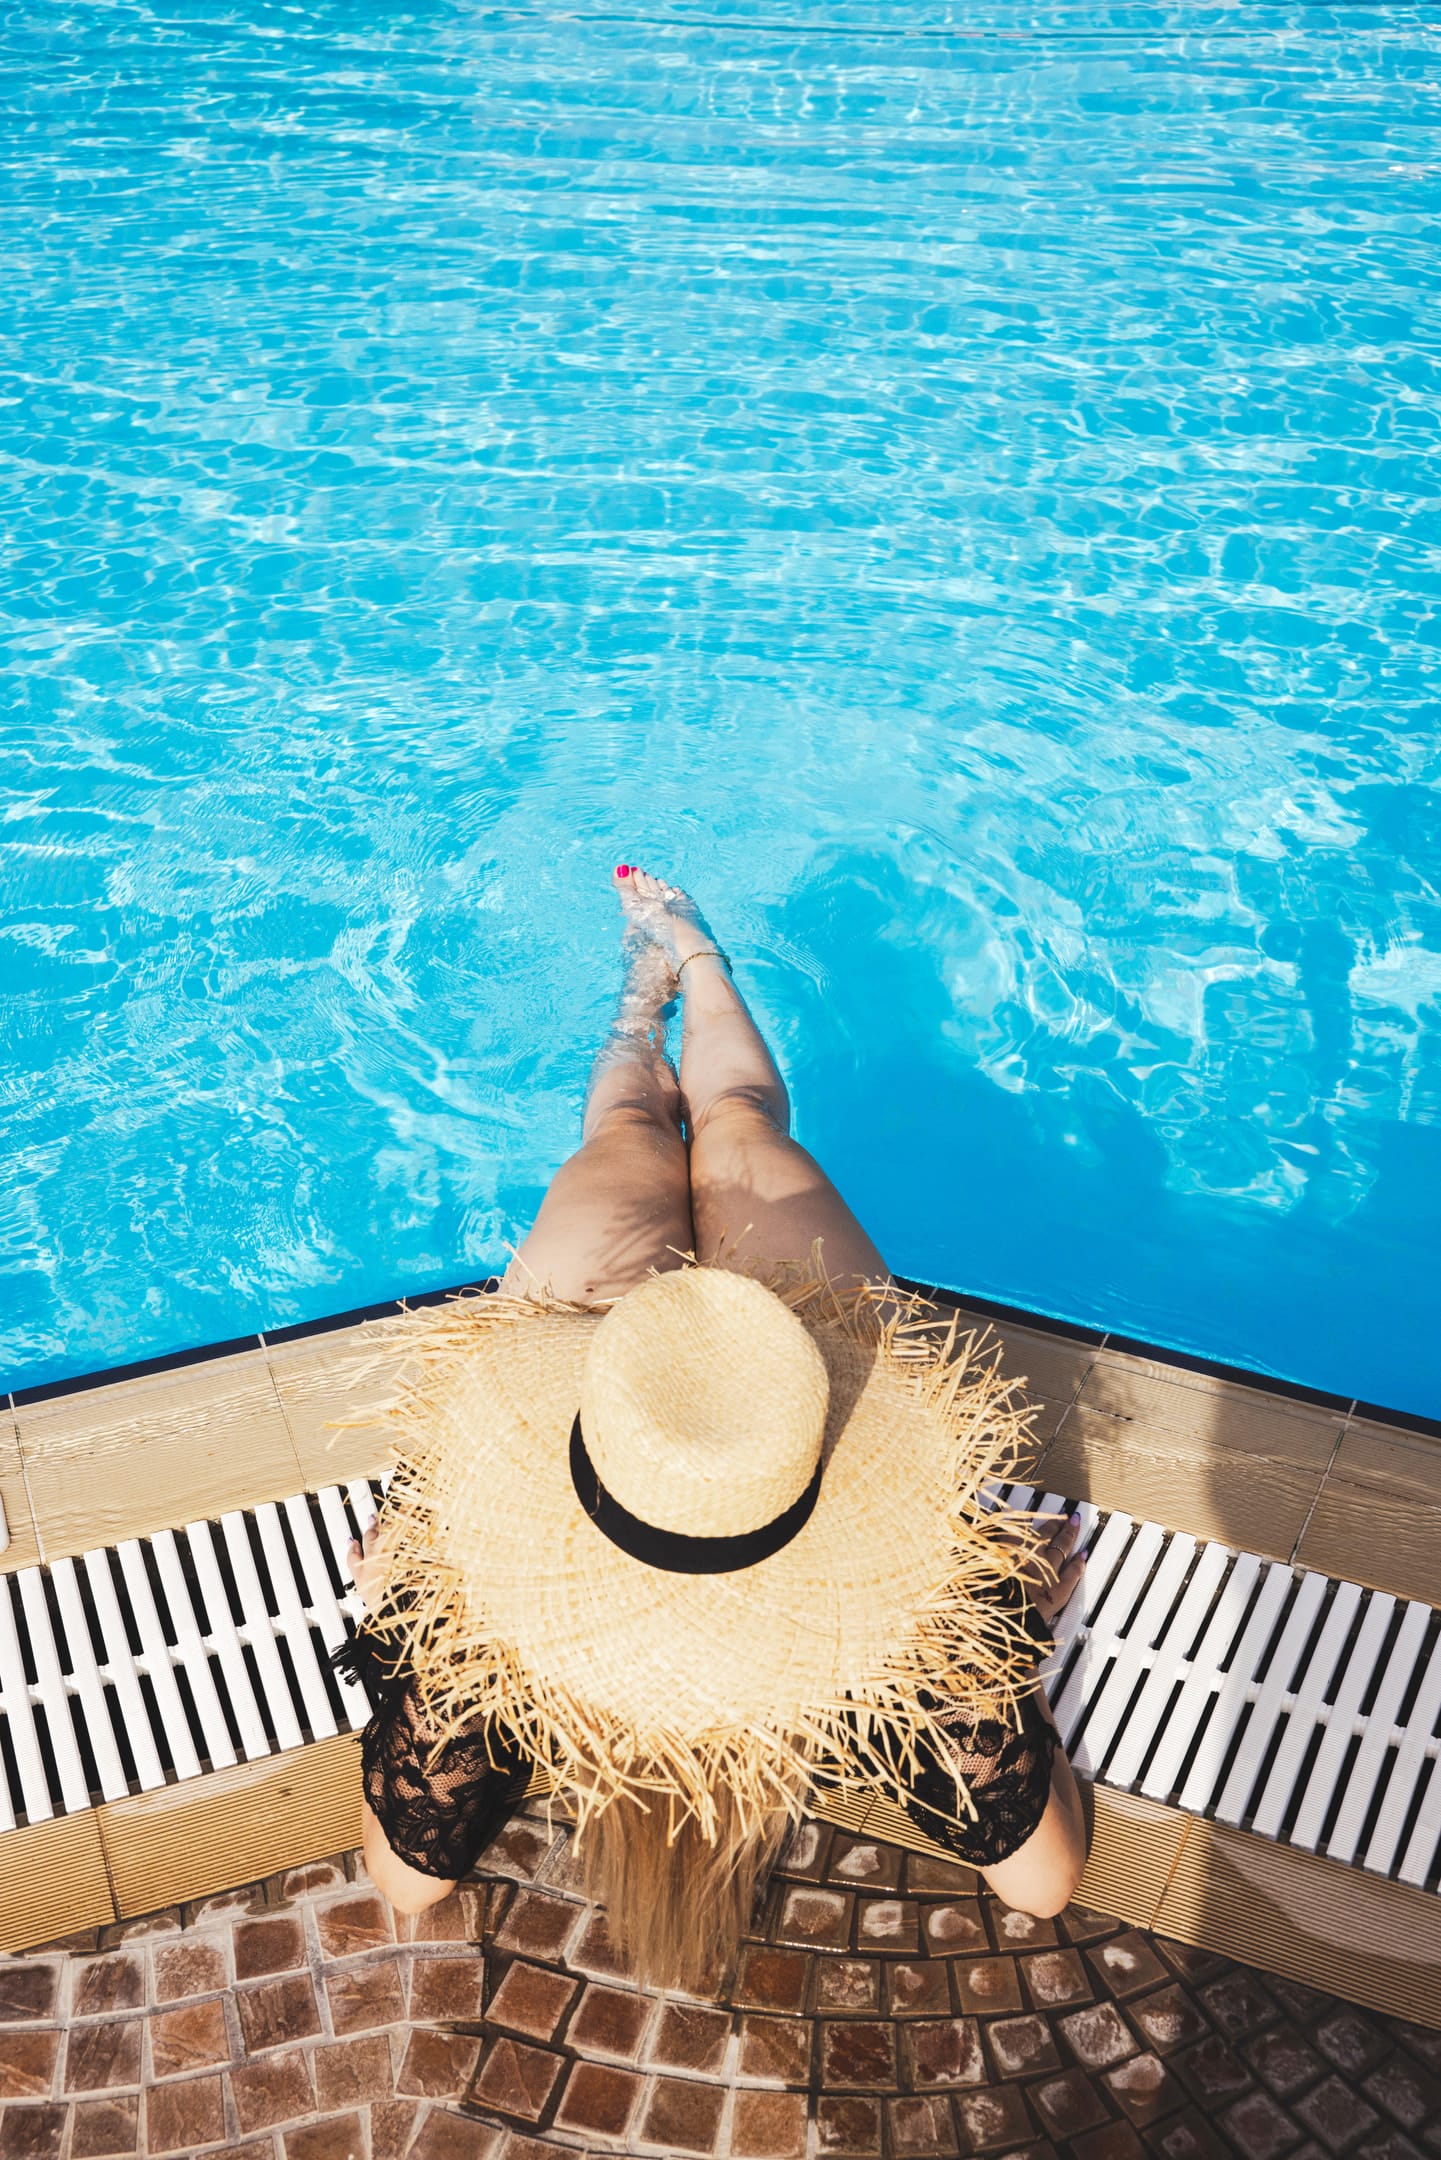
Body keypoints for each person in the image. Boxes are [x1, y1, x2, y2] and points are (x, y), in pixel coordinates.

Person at [340, 866, 1088, 1991]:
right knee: (680, 1123)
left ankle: (665, 978)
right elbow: (1042, 1890)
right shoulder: (498, 1681)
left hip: (709, 1381)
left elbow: (405, 1891)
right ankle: (674, 966)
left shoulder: (882, 1676)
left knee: (709, 1122)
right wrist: (401, 1621)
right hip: (637, 1376)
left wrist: (1000, 1643)